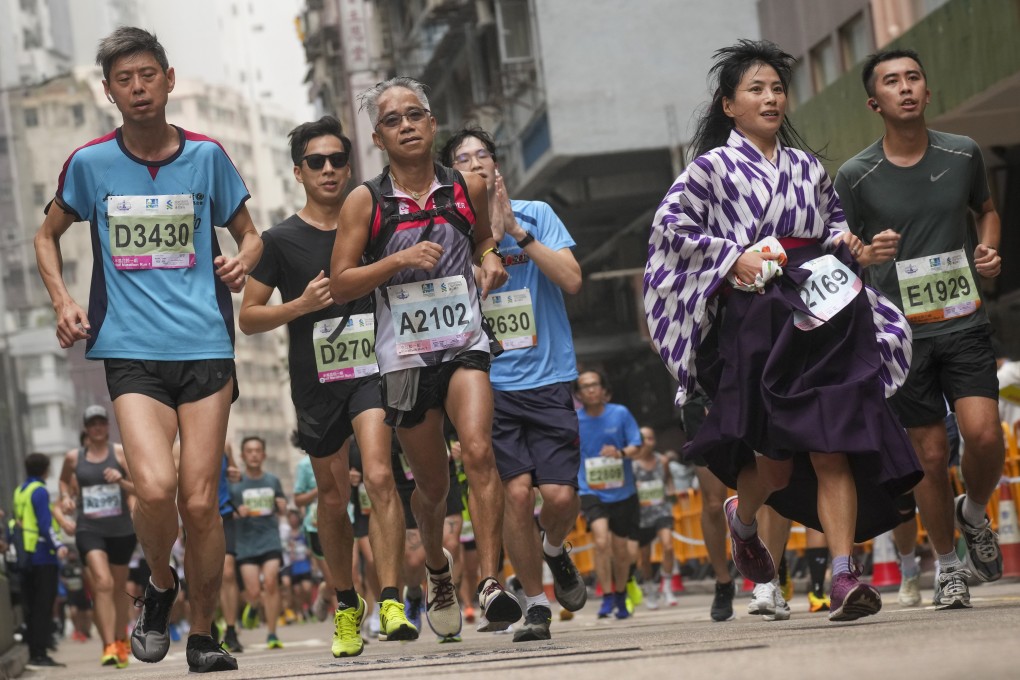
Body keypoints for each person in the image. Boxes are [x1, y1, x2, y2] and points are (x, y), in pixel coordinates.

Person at [643, 39, 923, 623]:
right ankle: (744, 523)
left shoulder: (808, 167)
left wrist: (852, 246)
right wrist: (730, 257)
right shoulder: (710, 169)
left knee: (831, 448)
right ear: (729, 106)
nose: (771, 98)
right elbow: (669, 229)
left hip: (821, 310)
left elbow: (834, 229)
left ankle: (845, 577)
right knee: (773, 463)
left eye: (776, 89)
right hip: (757, 319)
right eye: (756, 90)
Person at [33, 26, 261, 673]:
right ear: (109, 91)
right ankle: (160, 584)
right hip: (130, 349)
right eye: (124, 80)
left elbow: (252, 233)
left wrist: (243, 262)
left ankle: (207, 634)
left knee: (199, 501)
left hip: (206, 347)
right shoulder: (90, 164)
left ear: (168, 79)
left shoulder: (208, 158)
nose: (137, 88)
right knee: (156, 489)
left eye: (147, 75)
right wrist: (62, 301)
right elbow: (45, 236)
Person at [330, 76, 520, 638]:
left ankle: (489, 582)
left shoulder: (468, 185)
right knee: (433, 487)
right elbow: (341, 283)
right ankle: (438, 568)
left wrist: (490, 260)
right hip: (405, 359)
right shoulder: (364, 200)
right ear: (378, 138)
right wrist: (397, 261)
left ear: (433, 125)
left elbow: (485, 239)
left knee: (481, 450)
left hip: (464, 340)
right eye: (393, 120)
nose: (407, 125)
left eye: (415, 115)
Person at [835, 48, 1004, 610]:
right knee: (929, 456)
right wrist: (866, 251)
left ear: (927, 92)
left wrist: (988, 249)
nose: (905, 88)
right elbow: (840, 250)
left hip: (963, 319)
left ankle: (974, 514)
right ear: (873, 101)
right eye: (891, 81)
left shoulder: (963, 153)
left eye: (913, 78)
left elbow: (987, 208)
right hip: (899, 335)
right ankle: (948, 567)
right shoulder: (857, 175)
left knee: (983, 436)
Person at [239, 115, 412, 655]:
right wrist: (301, 306)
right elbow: (249, 317)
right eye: (318, 161)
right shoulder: (279, 241)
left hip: (372, 369)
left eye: (340, 160)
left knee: (380, 474)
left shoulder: (373, 223)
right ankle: (345, 604)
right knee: (334, 499)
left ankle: (390, 598)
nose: (331, 169)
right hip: (315, 381)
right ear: (299, 171)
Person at [438, 126, 586, 642]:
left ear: (499, 167)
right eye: (463, 159)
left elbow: (571, 280)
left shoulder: (538, 213)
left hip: (548, 378)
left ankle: (553, 551)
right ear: (450, 173)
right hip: (488, 383)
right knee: (517, 496)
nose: (476, 164)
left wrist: (517, 233)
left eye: (484, 155)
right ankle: (537, 603)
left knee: (560, 497)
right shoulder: (448, 230)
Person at [57, 405, 136, 668]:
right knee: (102, 583)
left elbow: (140, 485)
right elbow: (63, 482)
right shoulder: (73, 457)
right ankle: (109, 645)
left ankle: (121, 638)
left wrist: (121, 481)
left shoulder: (119, 453)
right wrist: (67, 498)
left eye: (102, 422)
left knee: (118, 589)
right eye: (92, 423)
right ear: (86, 428)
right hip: (89, 530)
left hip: (121, 529)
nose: (98, 427)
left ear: (108, 425)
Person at [575, 370, 643, 620]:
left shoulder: (620, 413)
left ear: (604, 389)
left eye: (595, 384)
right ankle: (606, 596)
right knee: (601, 541)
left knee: (621, 549)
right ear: (579, 394)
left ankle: (621, 593)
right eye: (585, 386)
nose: (591, 389)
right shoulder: (575, 420)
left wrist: (620, 453)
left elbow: (637, 445)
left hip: (623, 492)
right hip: (590, 490)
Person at [229, 436, 287, 650]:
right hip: (245, 543)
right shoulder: (235, 485)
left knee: (271, 583)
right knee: (253, 591)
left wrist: (281, 505)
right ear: (243, 456)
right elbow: (226, 513)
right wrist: (237, 513)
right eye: (249, 451)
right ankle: (253, 606)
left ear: (263, 455)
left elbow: (281, 505)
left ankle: (272, 633)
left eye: (257, 451)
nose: (253, 454)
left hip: (270, 540)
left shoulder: (272, 480)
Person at [13, 453, 68, 670]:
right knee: (44, 605)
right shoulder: (40, 491)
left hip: (25, 556)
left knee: (31, 605)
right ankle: (40, 652)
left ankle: (33, 649)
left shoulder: (20, 491)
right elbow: (45, 523)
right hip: (43, 555)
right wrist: (60, 546)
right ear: (46, 470)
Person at [633, 427, 678, 609]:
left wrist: (672, 493)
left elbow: (668, 480)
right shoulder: (632, 464)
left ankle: (666, 587)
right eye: (643, 439)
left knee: (668, 546)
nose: (647, 442)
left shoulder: (663, 460)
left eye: (650, 438)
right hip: (641, 514)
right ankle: (650, 588)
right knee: (644, 557)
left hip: (661, 510)